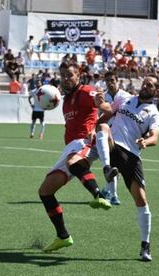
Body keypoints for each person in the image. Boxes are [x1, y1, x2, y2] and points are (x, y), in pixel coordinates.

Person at [76, 74, 159, 262]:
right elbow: (107, 112)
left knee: (141, 200)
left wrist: (145, 141)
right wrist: (100, 104)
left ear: (156, 91)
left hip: (131, 155)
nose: (145, 86)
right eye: (145, 83)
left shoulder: (153, 112)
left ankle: (145, 246)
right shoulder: (125, 98)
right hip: (112, 145)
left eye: (150, 85)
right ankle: (107, 168)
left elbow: (155, 136)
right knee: (102, 129)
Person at [38, 62, 113, 253]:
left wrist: (95, 125)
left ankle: (100, 195)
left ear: (78, 76)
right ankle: (63, 236)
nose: (65, 78)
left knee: (74, 161)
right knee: (45, 191)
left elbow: (106, 108)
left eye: (69, 75)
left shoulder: (86, 91)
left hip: (83, 142)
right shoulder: (66, 99)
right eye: (63, 75)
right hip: (70, 147)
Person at [99, 71, 132, 205]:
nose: (110, 83)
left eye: (112, 80)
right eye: (107, 81)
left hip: (123, 135)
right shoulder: (102, 97)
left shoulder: (126, 97)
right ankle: (114, 196)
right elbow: (98, 115)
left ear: (117, 80)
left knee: (118, 167)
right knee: (113, 165)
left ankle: (106, 190)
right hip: (107, 133)